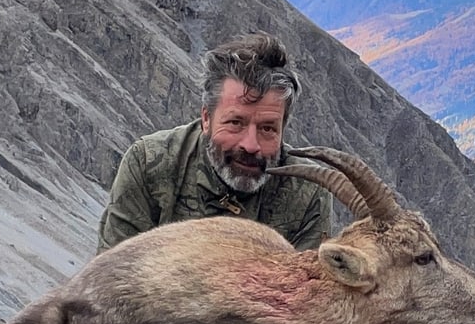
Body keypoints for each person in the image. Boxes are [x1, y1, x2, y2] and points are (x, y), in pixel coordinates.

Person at [98, 31, 331, 253]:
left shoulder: (309, 192)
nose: (251, 145)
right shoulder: (148, 163)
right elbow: (110, 278)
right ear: (206, 119)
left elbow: (309, 291)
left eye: (267, 128)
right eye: (235, 123)